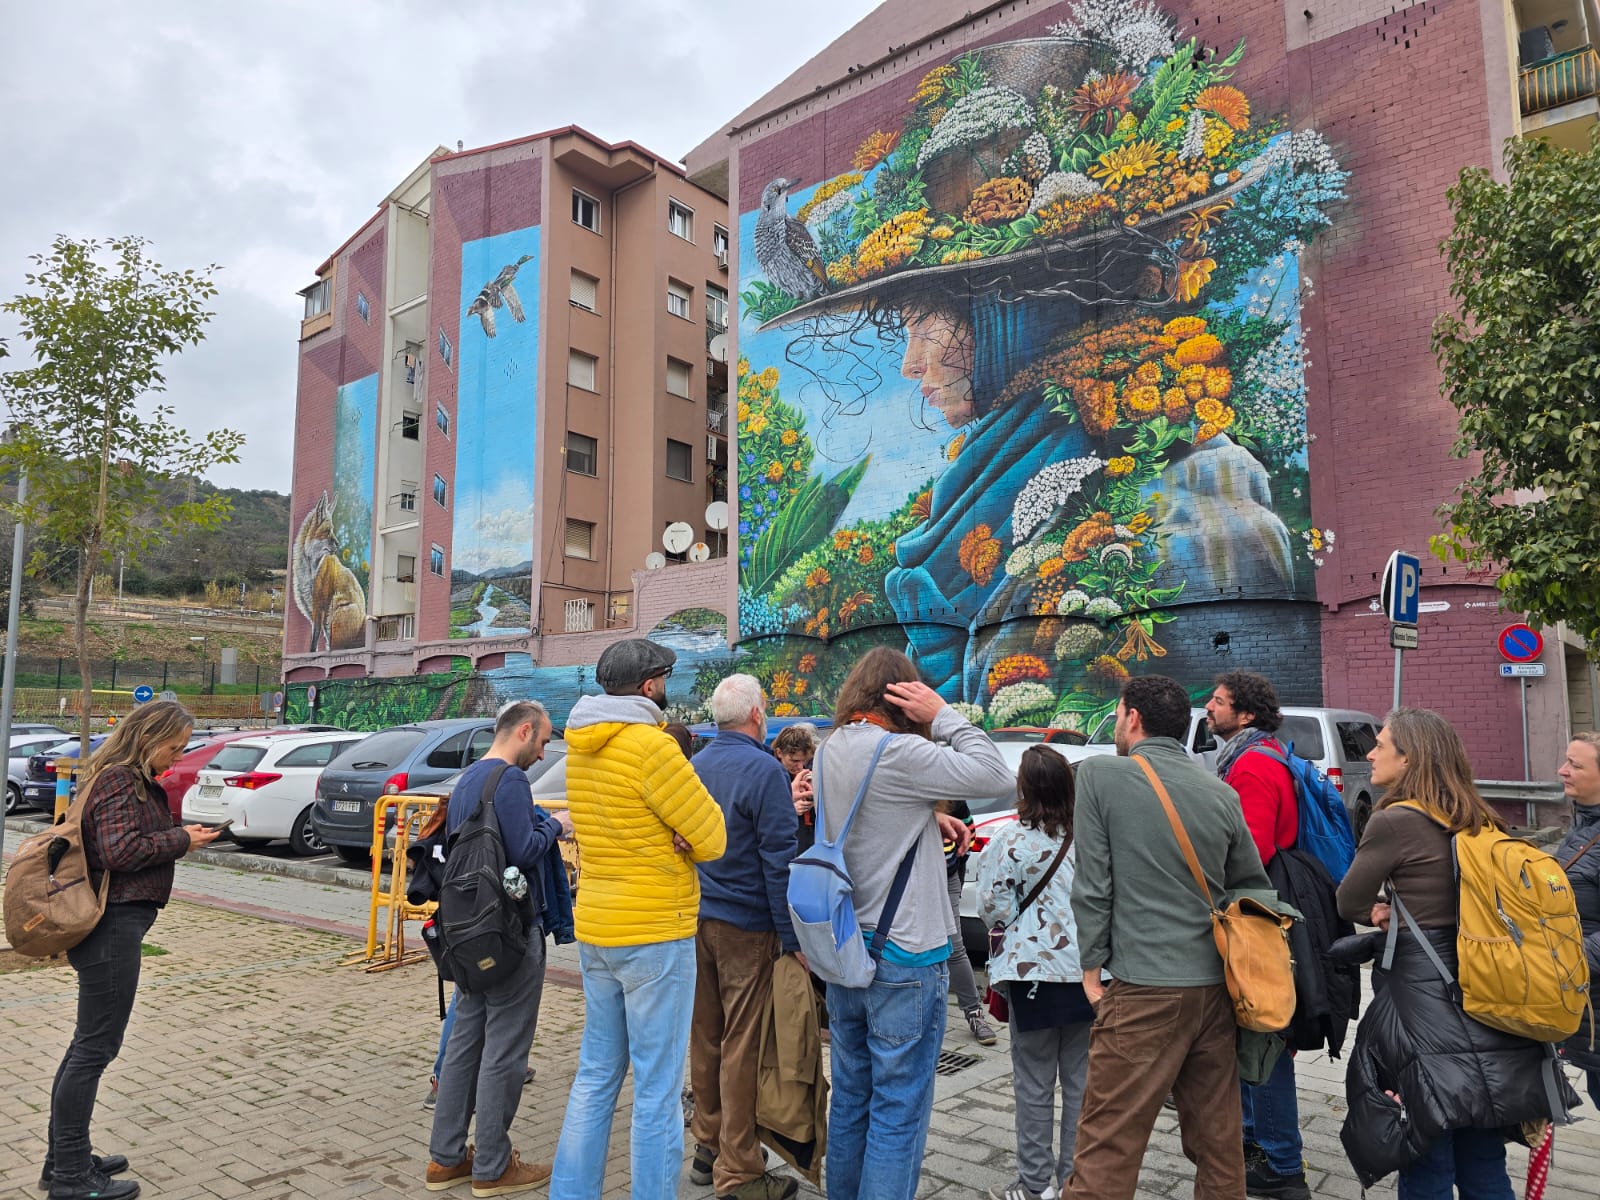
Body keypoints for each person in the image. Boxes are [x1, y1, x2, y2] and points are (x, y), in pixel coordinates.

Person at [1337, 708, 1580, 1193]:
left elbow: (1349, 900)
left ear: (1408, 759)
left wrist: (1383, 911)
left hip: (1421, 1001)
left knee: (1426, 1150)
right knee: (1483, 1155)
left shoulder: (1395, 820)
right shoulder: (1478, 815)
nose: (1370, 753)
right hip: (1491, 989)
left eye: (1381, 745)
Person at [1060, 675, 1273, 1200]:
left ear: (1132, 718)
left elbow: (1093, 883)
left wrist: (1091, 972)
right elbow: (1252, 886)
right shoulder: (1220, 791)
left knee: (1109, 1143)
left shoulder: (1101, 776)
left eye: (1117, 714)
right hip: (1214, 991)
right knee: (1218, 1141)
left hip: (1143, 988)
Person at [815, 646, 1012, 1200]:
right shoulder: (900, 751)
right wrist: (942, 713)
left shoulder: (831, 748)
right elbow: (994, 771)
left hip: (846, 952)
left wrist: (927, 818)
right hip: (905, 958)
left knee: (852, 1100)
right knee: (899, 1112)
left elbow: (867, 815)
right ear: (904, 698)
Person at [550, 639, 727, 1200]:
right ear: (650, 685)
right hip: (655, 929)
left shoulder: (581, 746)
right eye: (666, 678)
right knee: (656, 1089)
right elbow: (713, 837)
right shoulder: (653, 747)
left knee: (596, 1074)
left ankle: (570, 1192)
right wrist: (683, 838)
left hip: (599, 925)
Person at [42, 700, 223, 1200]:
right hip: (112, 924)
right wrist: (181, 840)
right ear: (148, 738)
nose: (177, 758)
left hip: (116, 923)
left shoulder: (123, 777)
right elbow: (120, 851)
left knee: (87, 1045)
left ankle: (64, 1160)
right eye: (175, 747)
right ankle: (72, 1177)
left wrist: (176, 836)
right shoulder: (121, 779)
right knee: (95, 1048)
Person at [424, 700, 572, 1197]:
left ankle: (445, 1158)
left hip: (467, 931)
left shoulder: (468, 779)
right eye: (545, 739)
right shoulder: (509, 781)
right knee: (505, 1049)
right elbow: (524, 850)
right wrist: (557, 825)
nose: (545, 750)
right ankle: (492, 1165)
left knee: (466, 1039)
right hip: (508, 930)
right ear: (524, 731)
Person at [687, 674, 805, 1200]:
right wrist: (792, 939)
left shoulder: (696, 764)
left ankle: (706, 1145)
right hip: (748, 927)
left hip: (697, 920)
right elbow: (778, 862)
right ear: (759, 714)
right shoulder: (764, 771)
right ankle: (738, 1171)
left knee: (706, 1036)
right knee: (742, 1045)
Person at [1204, 671, 1306, 1200]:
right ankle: (1255, 1143)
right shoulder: (1257, 755)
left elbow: (1253, 851)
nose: (1208, 708)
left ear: (1244, 714)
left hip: (1257, 922)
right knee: (1256, 1035)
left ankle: (1281, 1165)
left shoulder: (1252, 765)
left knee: (1264, 1038)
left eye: (1217, 702)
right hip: (1261, 915)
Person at [977, 746, 1089, 1200]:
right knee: (1083, 1085)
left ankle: (1033, 1184)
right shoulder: (1090, 836)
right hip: (1088, 973)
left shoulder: (1009, 839)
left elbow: (992, 909)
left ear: (1024, 787)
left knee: (1034, 1084)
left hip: (1031, 975)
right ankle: (1074, 1183)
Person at [1556, 732, 1600, 1109]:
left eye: (1575, 764)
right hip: (1588, 1004)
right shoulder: (1582, 827)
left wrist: (1561, 954)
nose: (1562, 770)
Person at [941, 796, 997, 1046]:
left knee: (954, 944)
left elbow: (968, 839)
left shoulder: (952, 797)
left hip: (946, 875)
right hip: (907, 881)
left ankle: (974, 1012)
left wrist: (956, 873)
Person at [773, 723, 819, 852]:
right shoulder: (769, 777)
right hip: (785, 847)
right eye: (794, 761)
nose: (800, 766)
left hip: (809, 842)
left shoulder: (809, 771)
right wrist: (790, 810)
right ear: (779, 753)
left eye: (803, 761)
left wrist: (815, 795)